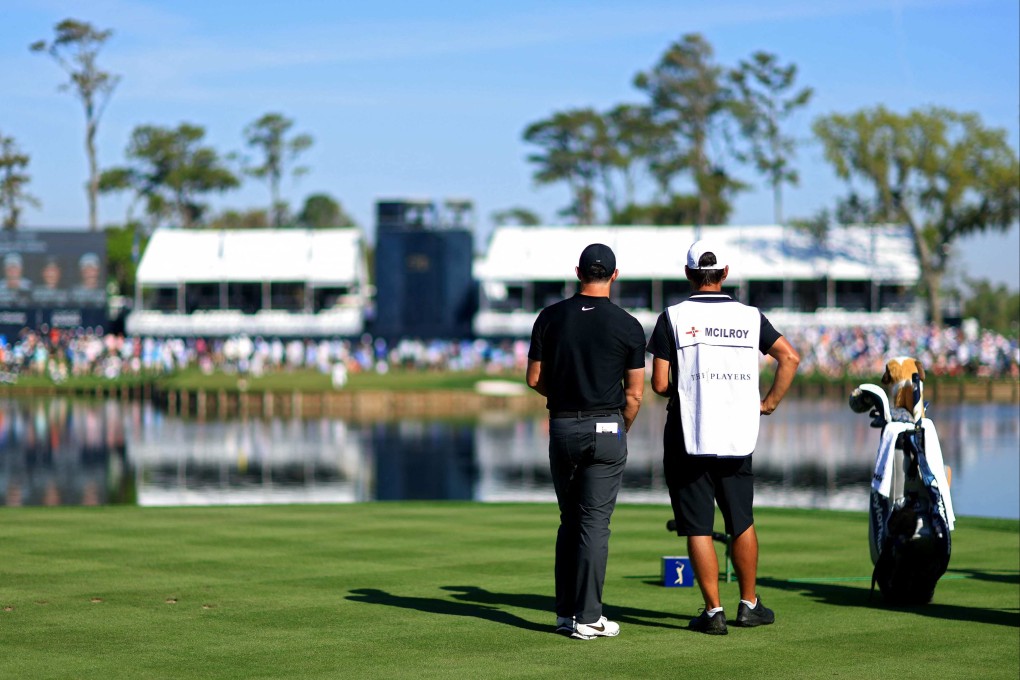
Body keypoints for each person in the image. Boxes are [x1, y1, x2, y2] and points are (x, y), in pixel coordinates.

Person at [646, 240, 800, 635]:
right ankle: (748, 603)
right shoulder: (750, 316)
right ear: (726, 273)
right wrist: (769, 403)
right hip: (738, 432)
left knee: (698, 526)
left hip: (688, 431)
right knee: (741, 520)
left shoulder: (673, 316)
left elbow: (660, 383)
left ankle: (713, 611)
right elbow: (790, 357)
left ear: (688, 274)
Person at [525, 243, 646, 640]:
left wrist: (563, 397)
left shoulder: (549, 317)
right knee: (594, 523)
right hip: (607, 426)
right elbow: (635, 395)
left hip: (561, 425)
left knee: (569, 521)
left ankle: (565, 614)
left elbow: (534, 378)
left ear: (578, 272)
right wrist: (620, 427)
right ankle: (589, 616)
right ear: (614, 274)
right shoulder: (628, 324)